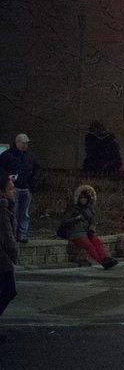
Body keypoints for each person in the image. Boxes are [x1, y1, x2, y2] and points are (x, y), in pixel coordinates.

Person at [60, 185, 118, 270]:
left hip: (87, 231)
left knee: (97, 242)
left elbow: (93, 221)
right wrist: (76, 219)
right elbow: (64, 221)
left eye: (85, 198)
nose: (83, 200)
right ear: (78, 199)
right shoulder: (72, 209)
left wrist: (91, 230)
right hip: (76, 233)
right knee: (89, 246)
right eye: (81, 198)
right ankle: (101, 261)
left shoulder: (89, 209)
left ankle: (106, 258)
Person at [0, 134, 40, 243]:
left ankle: (21, 235)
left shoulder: (29, 156)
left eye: (26, 143)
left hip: (26, 188)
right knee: (14, 211)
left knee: (24, 213)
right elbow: (1, 169)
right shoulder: (7, 155)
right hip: (14, 188)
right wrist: (7, 178)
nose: (25, 145)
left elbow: (36, 170)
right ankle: (13, 234)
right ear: (17, 142)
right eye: (23, 143)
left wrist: (33, 183)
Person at [0, 174, 18, 343]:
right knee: (9, 290)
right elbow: (7, 236)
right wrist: (14, 255)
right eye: (11, 189)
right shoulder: (2, 208)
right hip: (2, 258)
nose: (14, 191)